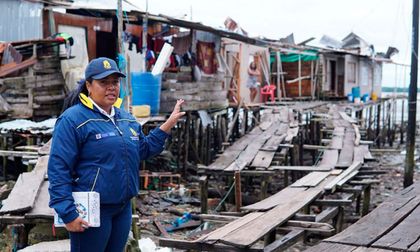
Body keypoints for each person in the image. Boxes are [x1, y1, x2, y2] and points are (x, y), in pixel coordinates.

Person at [48, 57, 185, 252]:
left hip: (122, 208)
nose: (111, 87)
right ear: (89, 85)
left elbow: (143, 150)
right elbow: (58, 169)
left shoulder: (125, 118)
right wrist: (68, 213)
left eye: (115, 82)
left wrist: (167, 125)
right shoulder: (73, 119)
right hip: (93, 210)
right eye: (104, 82)